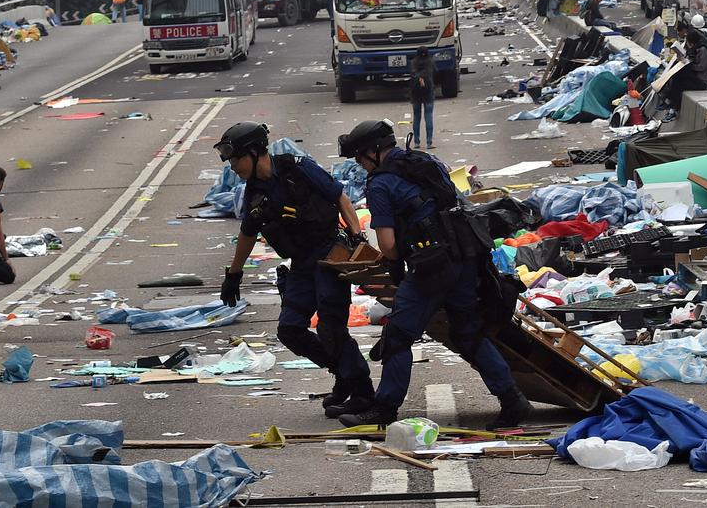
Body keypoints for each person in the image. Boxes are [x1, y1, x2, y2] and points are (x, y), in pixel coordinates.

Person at [336, 120, 532, 428]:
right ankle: (513, 400)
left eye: (360, 157)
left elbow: (387, 246)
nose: (360, 165)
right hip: (466, 258)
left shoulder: (380, 184)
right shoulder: (426, 162)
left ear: (374, 152)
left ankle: (384, 409)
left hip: (431, 267)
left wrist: (397, 257)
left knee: (399, 335)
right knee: (468, 332)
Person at [214, 122, 374, 418]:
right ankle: (342, 373)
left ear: (253, 152)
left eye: (236, 159)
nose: (233, 167)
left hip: (329, 255)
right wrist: (233, 274)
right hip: (301, 264)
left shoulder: (298, 168)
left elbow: (339, 196)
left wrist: (355, 234)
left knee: (330, 326)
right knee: (289, 329)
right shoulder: (254, 193)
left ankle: (362, 391)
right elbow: (248, 234)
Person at [409, 47, 436, 149]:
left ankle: (416, 142)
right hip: (428, 92)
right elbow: (436, 72)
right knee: (428, 115)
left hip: (415, 93)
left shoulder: (413, 62)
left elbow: (412, 75)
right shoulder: (430, 62)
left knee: (416, 116)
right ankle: (429, 142)